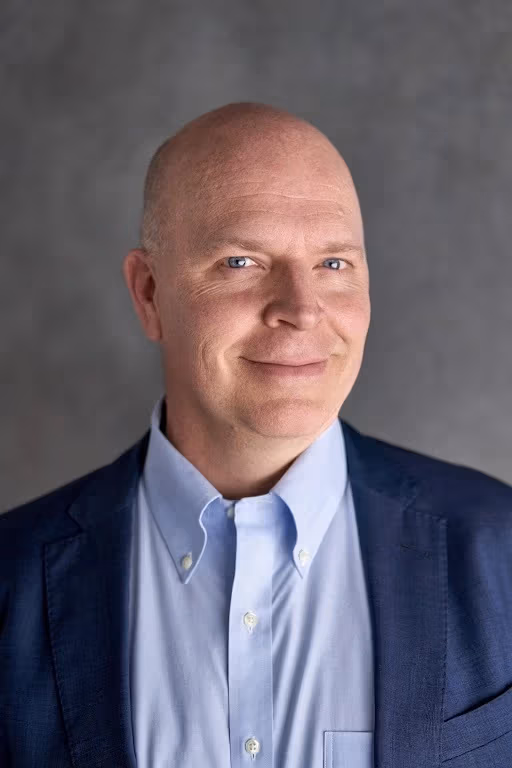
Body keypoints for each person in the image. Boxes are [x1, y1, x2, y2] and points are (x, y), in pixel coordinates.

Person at [1, 102, 511, 768]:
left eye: (333, 264)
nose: (301, 310)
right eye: (242, 261)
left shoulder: (502, 552)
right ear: (150, 293)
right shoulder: (10, 584)